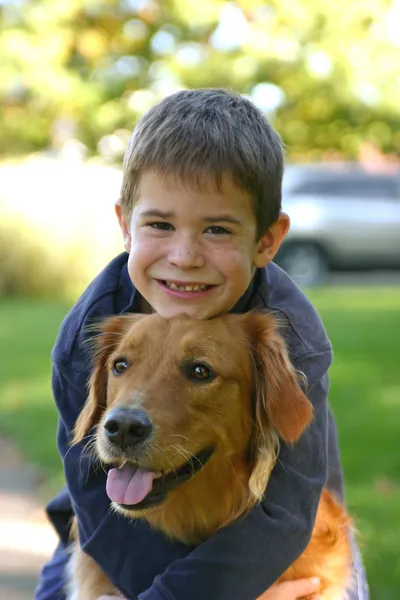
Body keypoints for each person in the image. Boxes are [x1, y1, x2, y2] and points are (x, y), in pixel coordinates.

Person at [35, 88, 368, 600]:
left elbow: (288, 509)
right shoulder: (87, 333)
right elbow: (89, 488)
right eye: (161, 225)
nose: (185, 256)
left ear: (266, 242)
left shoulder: (293, 339)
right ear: (126, 226)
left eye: (216, 229)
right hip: (109, 523)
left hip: (277, 522)